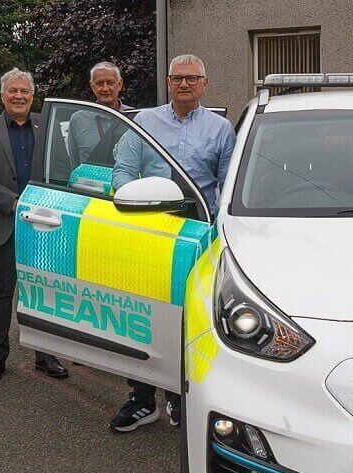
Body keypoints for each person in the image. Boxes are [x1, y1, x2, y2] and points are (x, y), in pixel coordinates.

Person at [109, 54, 235, 433]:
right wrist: (132, 198)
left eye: (192, 78)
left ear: (205, 83)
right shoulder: (144, 122)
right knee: (143, 314)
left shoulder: (221, 128)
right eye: (178, 78)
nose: (184, 84)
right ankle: (141, 397)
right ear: (167, 81)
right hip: (150, 230)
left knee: (187, 314)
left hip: (196, 234)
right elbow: (123, 173)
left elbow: (226, 184)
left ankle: (181, 395)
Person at [0, 68, 69, 383]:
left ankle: (45, 354)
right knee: (1, 291)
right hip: (2, 224)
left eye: (25, 90)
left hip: (43, 226)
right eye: (13, 90)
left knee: (43, 291)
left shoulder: (46, 125)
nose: (19, 96)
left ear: (32, 94)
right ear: (2, 95)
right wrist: (16, 204)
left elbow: (62, 170)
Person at [67, 61, 134, 167]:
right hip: (89, 183)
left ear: (120, 84)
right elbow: (74, 164)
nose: (105, 88)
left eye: (110, 82)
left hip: (126, 183)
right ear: (92, 86)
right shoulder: (78, 119)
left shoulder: (134, 117)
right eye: (99, 83)